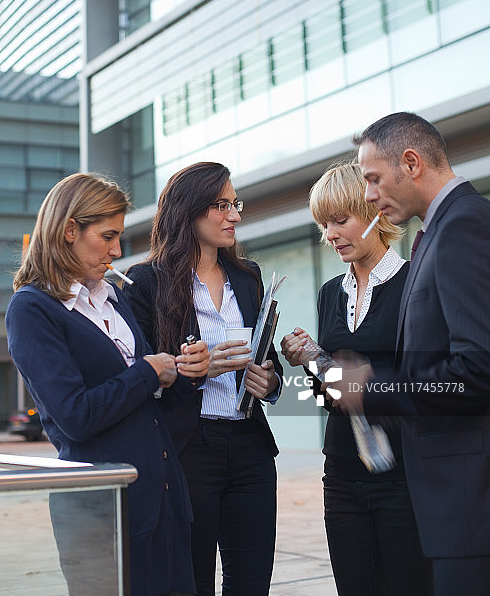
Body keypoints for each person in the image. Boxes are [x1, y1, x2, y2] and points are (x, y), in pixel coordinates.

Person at [5, 172, 210, 596]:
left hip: (164, 500)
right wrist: (149, 371)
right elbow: (76, 416)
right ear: (68, 230)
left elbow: (151, 407)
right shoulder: (32, 309)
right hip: (101, 513)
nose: (117, 250)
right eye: (107, 235)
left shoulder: (112, 297)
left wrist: (186, 374)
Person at [340, 111, 490, 596]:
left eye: (373, 178)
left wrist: (373, 387)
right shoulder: (442, 229)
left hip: (469, 504)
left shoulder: (463, 226)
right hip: (452, 502)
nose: (367, 194)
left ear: (411, 162)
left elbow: (477, 369)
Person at [123, 161, 283, 596]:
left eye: (235, 204)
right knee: (191, 583)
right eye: (221, 205)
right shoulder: (147, 283)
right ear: (188, 211)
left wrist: (269, 382)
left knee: (251, 583)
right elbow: (137, 372)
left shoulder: (247, 277)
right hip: (187, 450)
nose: (234, 215)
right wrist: (192, 369)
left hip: (251, 449)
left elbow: (264, 355)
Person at [280, 161, 431, 596]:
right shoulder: (330, 293)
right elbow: (329, 397)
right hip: (342, 475)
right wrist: (311, 360)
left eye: (340, 220)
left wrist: (364, 382)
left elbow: (428, 382)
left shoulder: (414, 285)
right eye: (323, 225)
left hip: (402, 475)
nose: (330, 235)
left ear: (375, 213)